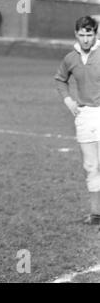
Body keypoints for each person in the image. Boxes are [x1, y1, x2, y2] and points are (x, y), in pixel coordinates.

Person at [54, 16, 100, 226]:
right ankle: (96, 213)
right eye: (81, 35)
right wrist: (68, 100)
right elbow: (60, 79)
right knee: (91, 166)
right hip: (84, 116)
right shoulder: (70, 58)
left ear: (95, 35)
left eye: (89, 35)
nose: (85, 39)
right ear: (76, 35)